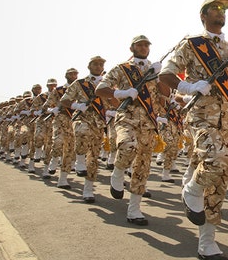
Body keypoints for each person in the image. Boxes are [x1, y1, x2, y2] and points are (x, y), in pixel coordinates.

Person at [159, 0, 228, 260]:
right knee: (216, 160)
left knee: (219, 179)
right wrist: (189, 87)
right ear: (203, 15)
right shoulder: (192, 44)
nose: (221, 12)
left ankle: (207, 241)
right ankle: (191, 189)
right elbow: (166, 75)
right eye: (215, 8)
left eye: (224, 9)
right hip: (202, 117)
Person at [95, 35, 169, 225]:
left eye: (146, 45)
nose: (144, 48)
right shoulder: (122, 69)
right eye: (140, 45)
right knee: (127, 146)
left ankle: (134, 209)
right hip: (126, 118)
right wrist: (121, 93)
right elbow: (101, 89)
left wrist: (159, 76)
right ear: (132, 48)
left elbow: (166, 94)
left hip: (148, 124)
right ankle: (118, 172)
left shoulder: (154, 70)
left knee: (142, 167)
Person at [60, 56, 111, 202]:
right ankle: (79, 162)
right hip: (82, 117)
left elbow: (112, 102)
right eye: (95, 64)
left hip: (99, 122)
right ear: (89, 66)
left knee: (94, 157)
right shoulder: (80, 83)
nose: (98, 66)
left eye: (101, 64)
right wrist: (77, 105)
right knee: (81, 133)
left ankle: (88, 190)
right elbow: (64, 100)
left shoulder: (106, 84)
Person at [42, 68, 79, 182]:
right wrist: (52, 110)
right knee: (57, 142)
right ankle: (53, 159)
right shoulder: (58, 90)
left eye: (75, 74)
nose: (73, 76)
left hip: (74, 119)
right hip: (60, 118)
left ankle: (63, 179)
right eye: (71, 74)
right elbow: (45, 107)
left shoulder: (81, 89)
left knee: (69, 149)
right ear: (66, 76)